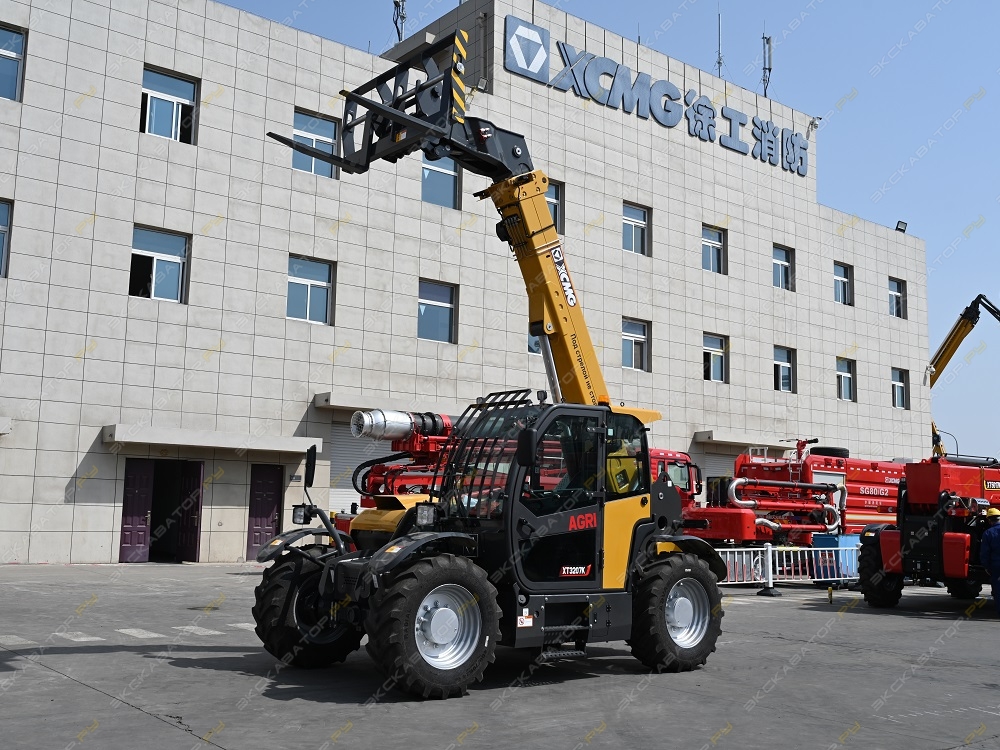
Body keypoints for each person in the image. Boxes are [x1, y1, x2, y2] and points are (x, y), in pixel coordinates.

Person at [980, 507, 1000, 615]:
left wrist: (986, 566)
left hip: (996, 566)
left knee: (998, 589)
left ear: (989, 520)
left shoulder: (988, 533)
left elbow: (985, 552)